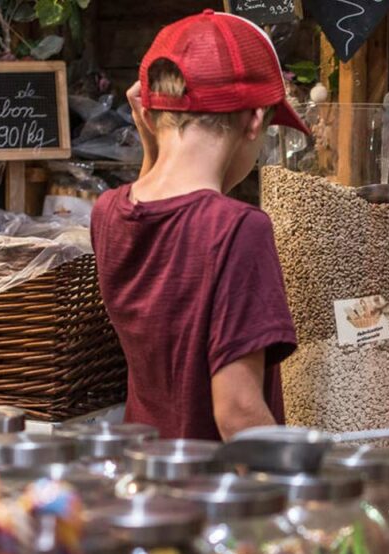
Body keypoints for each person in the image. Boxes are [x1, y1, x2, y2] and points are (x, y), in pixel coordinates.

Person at [91, 10, 306, 440]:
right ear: (255, 121)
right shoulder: (237, 228)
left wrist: (151, 145)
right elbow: (238, 412)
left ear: (148, 116)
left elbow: (156, 206)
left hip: (146, 482)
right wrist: (312, 488)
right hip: (215, 496)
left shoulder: (108, 212)